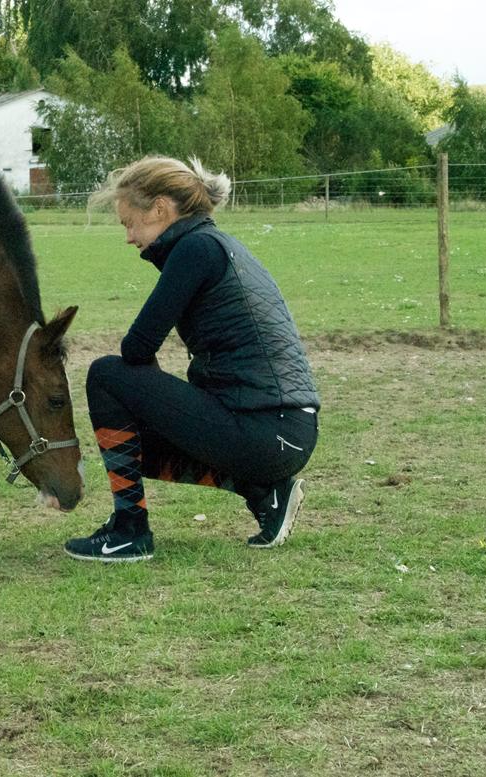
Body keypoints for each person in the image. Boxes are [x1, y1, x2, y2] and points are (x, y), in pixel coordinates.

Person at [65, 156, 320, 563]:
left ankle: (130, 530)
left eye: (129, 222)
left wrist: (146, 395)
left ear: (161, 209)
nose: (129, 237)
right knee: (133, 448)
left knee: (106, 375)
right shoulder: (215, 244)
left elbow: (136, 347)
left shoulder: (196, 249)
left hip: (268, 431)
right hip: (283, 431)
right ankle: (264, 492)